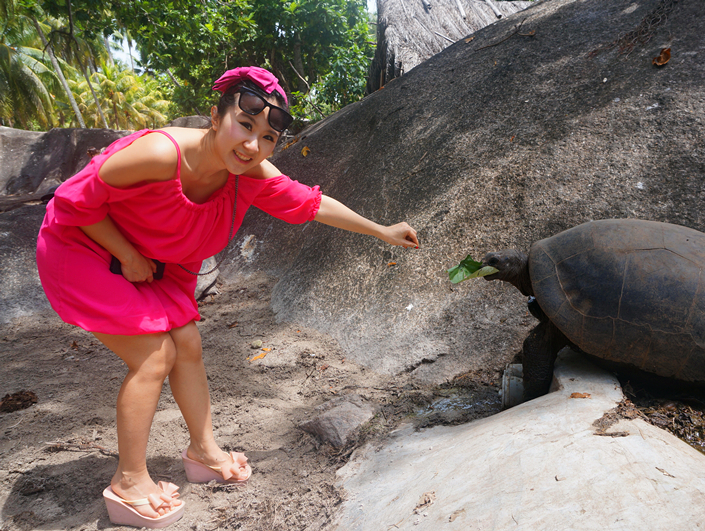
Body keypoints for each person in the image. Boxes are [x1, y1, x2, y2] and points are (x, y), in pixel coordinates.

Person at [36, 66, 419, 528]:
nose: (253, 145)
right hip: (85, 247)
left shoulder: (249, 173)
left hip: (155, 260)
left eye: (267, 137)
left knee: (188, 344)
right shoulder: (160, 153)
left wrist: (381, 230)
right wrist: (126, 254)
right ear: (216, 117)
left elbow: (308, 203)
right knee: (155, 356)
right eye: (245, 124)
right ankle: (128, 481)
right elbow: (71, 203)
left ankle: (203, 450)